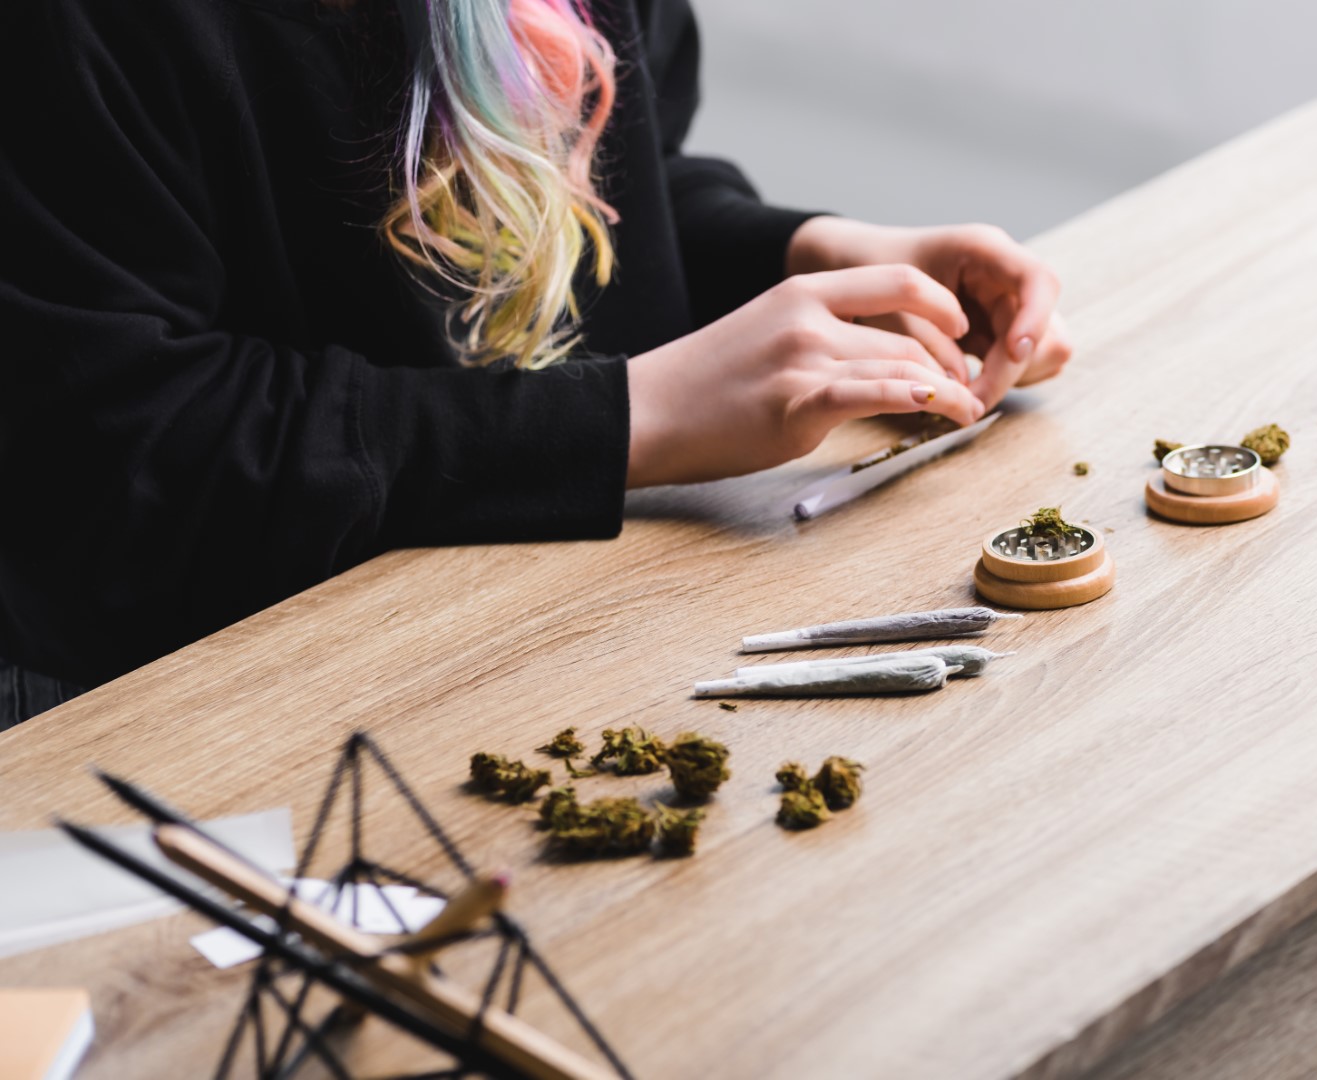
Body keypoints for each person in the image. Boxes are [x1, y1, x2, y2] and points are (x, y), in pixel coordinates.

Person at [0, 0, 1072, 729]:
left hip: (520, 640)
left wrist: (795, 253)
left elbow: (594, 208)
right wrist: (632, 419)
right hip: (162, 708)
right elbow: (121, 460)